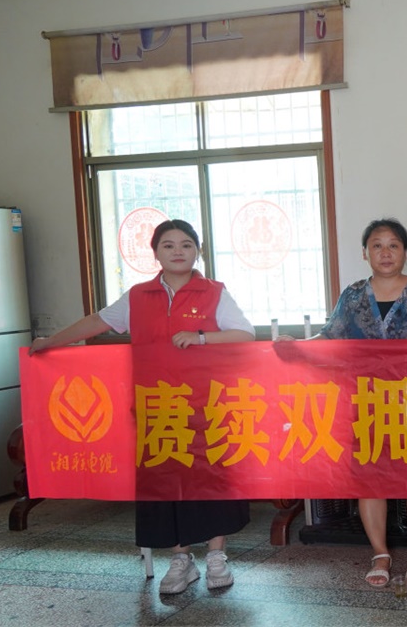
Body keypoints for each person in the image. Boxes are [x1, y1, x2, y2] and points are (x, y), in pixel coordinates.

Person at [30, 219, 256, 595]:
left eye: (186, 244)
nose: (178, 251)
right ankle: (181, 559)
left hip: (208, 405)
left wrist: (201, 337)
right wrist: (50, 342)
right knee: (165, 483)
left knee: (211, 480)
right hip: (157, 406)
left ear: (198, 251)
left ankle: (217, 555)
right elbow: (96, 321)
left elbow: (245, 333)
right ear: (155, 253)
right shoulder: (137, 296)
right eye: (168, 245)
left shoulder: (214, 292)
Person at [280, 218, 407, 588]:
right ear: (365, 253)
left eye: (393, 245)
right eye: (377, 245)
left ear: (405, 252)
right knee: (370, 479)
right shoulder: (354, 296)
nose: (385, 253)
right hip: (365, 400)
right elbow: (330, 338)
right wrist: (298, 346)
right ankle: (380, 552)